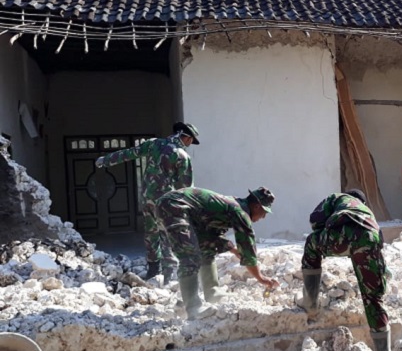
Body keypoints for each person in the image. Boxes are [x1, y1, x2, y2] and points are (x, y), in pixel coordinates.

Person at [299, 189, 395, 351]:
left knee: (311, 243)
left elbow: (314, 219)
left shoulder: (338, 198)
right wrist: (380, 275)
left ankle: (310, 304)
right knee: (373, 300)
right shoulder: (368, 214)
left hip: (342, 236)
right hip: (370, 238)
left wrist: (326, 235)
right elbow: (378, 250)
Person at [95, 122, 201, 280]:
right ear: (185, 137)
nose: (190, 144)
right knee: (167, 233)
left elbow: (130, 153)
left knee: (151, 233)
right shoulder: (182, 156)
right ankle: (168, 272)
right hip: (166, 202)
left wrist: (106, 160)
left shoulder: (154, 144)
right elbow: (185, 188)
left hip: (147, 198)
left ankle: (153, 269)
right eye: (191, 140)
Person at [156, 186, 279, 320]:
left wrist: (234, 250)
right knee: (189, 256)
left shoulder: (231, 208)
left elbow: (212, 236)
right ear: (256, 206)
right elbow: (248, 248)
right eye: (264, 212)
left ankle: (213, 293)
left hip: (185, 211)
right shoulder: (240, 213)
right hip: (174, 207)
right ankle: (193, 308)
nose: (264, 216)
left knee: (207, 250)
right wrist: (261, 278)